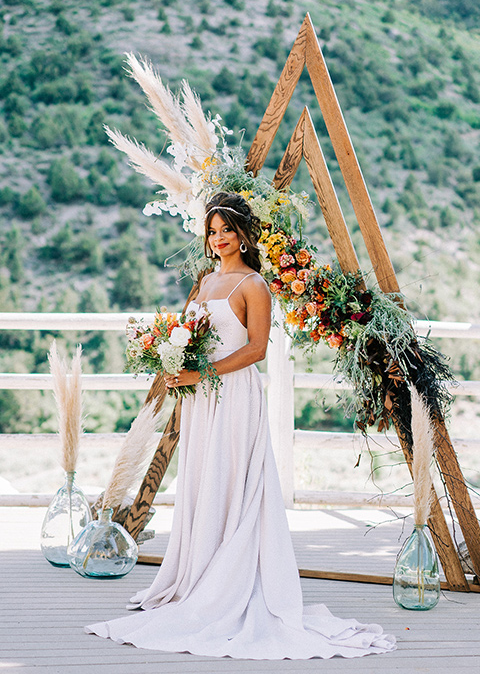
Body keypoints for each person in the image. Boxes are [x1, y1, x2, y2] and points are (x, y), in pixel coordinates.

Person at [86, 192, 396, 659]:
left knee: (232, 475)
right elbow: (193, 336)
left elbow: (256, 350)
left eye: (227, 230)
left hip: (232, 395)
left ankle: (231, 580)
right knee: (201, 477)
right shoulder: (207, 280)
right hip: (201, 399)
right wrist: (176, 363)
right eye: (212, 231)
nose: (219, 238)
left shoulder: (253, 285)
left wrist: (201, 373)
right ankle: (198, 571)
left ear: (243, 235)